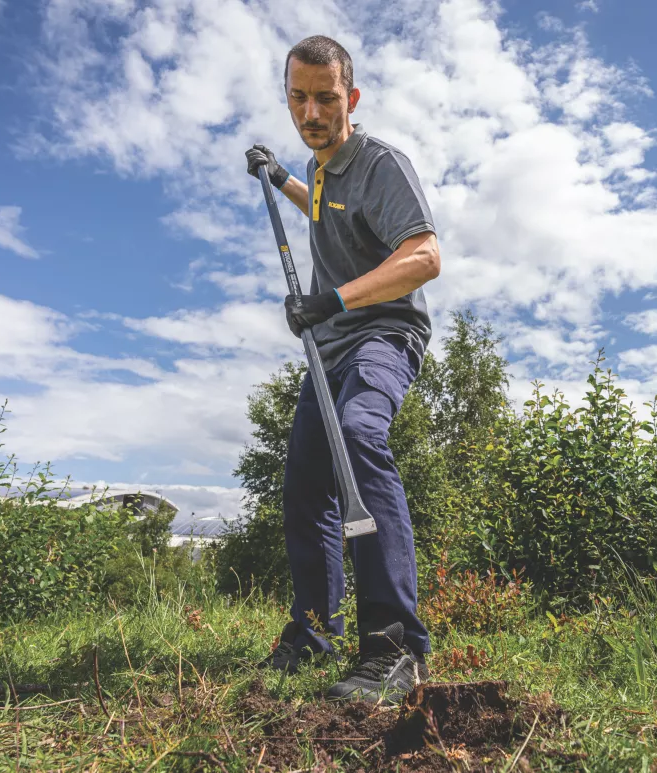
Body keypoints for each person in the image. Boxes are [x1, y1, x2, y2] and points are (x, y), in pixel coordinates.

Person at [245, 35, 440, 703]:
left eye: (326, 98)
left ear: (350, 99)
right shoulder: (321, 169)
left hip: (383, 332)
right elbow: (327, 210)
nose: (311, 111)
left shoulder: (381, 163)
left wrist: (332, 299)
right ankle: (313, 631)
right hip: (326, 350)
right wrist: (282, 179)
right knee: (304, 486)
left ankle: (393, 647)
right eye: (298, 98)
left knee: (359, 434)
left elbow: (424, 257)